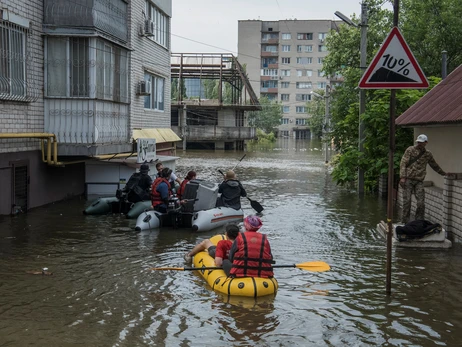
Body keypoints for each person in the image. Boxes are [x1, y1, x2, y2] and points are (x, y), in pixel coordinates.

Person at [399, 134, 448, 223]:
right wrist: (402, 177)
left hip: (419, 181)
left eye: (421, 142)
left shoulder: (427, 154)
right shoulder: (410, 150)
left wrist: (444, 174)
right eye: (418, 142)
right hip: (408, 179)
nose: (419, 144)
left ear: (426, 143)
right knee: (407, 201)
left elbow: (434, 165)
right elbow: (403, 163)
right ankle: (405, 221)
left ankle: (419, 222)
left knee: (421, 203)